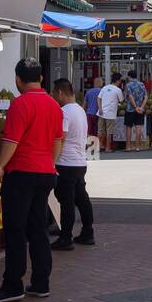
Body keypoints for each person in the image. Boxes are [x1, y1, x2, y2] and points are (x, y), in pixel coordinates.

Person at [0, 57, 64, 302]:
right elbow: (57, 141)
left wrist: (0, 166)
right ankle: (41, 282)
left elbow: (11, 141)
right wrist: (49, 164)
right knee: (38, 228)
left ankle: (13, 285)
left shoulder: (20, 104)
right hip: (45, 173)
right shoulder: (53, 105)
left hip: (21, 174)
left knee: (15, 229)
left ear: (18, 80)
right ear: (41, 78)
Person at [51, 79, 95, 250]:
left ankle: (66, 237)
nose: (54, 97)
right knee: (81, 198)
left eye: (54, 93)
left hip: (66, 163)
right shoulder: (80, 110)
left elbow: (60, 138)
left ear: (60, 93)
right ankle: (87, 232)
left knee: (66, 201)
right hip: (79, 162)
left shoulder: (64, 112)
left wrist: (52, 161)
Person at [97, 72, 123, 153]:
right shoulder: (118, 90)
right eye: (120, 80)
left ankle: (100, 146)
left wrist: (100, 108)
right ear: (117, 80)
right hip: (111, 113)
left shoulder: (105, 87)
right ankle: (107, 148)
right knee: (109, 132)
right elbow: (121, 100)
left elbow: (98, 98)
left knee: (100, 130)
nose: (121, 82)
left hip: (101, 112)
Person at [123, 69, 148, 151]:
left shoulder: (128, 85)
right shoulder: (142, 84)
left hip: (130, 109)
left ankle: (128, 147)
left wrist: (135, 107)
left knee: (129, 127)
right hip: (140, 109)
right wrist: (141, 107)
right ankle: (137, 147)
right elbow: (146, 97)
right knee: (138, 127)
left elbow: (130, 96)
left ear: (129, 76)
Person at [84, 76, 103, 141]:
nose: (102, 83)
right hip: (98, 114)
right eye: (102, 82)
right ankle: (97, 144)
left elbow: (84, 104)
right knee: (98, 130)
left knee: (90, 131)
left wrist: (83, 113)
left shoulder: (88, 92)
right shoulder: (102, 91)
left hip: (89, 114)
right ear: (99, 83)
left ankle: (90, 144)